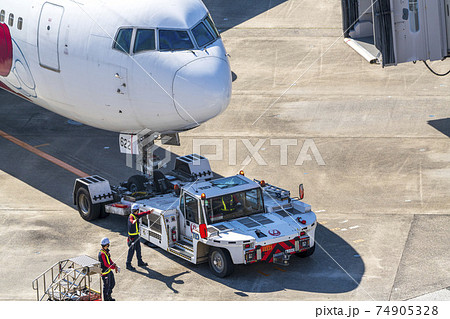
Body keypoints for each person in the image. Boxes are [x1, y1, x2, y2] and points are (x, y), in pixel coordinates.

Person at [126, 203, 153, 270]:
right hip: (132, 238)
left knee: (138, 249)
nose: (137, 212)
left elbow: (142, 214)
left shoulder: (136, 215)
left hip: (136, 236)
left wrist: (149, 212)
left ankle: (140, 262)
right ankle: (128, 264)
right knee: (131, 251)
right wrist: (133, 221)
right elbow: (131, 220)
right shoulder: (131, 216)